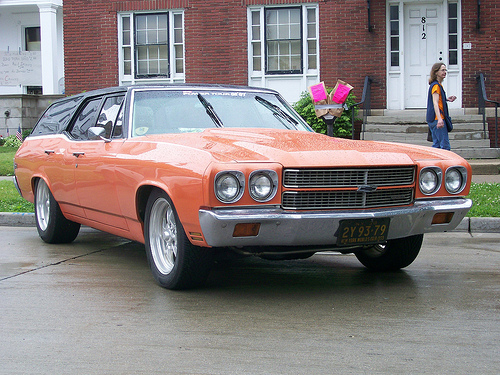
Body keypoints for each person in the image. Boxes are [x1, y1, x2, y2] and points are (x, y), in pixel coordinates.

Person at [426, 63, 457, 150]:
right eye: (442, 70)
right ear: (436, 72)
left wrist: (446, 99)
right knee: (445, 146)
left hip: (433, 118)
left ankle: (434, 163)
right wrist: (439, 119)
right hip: (437, 118)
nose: (445, 72)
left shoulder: (437, 85)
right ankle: (445, 163)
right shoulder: (436, 86)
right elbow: (435, 103)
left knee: (437, 145)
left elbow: (438, 100)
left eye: (445, 70)